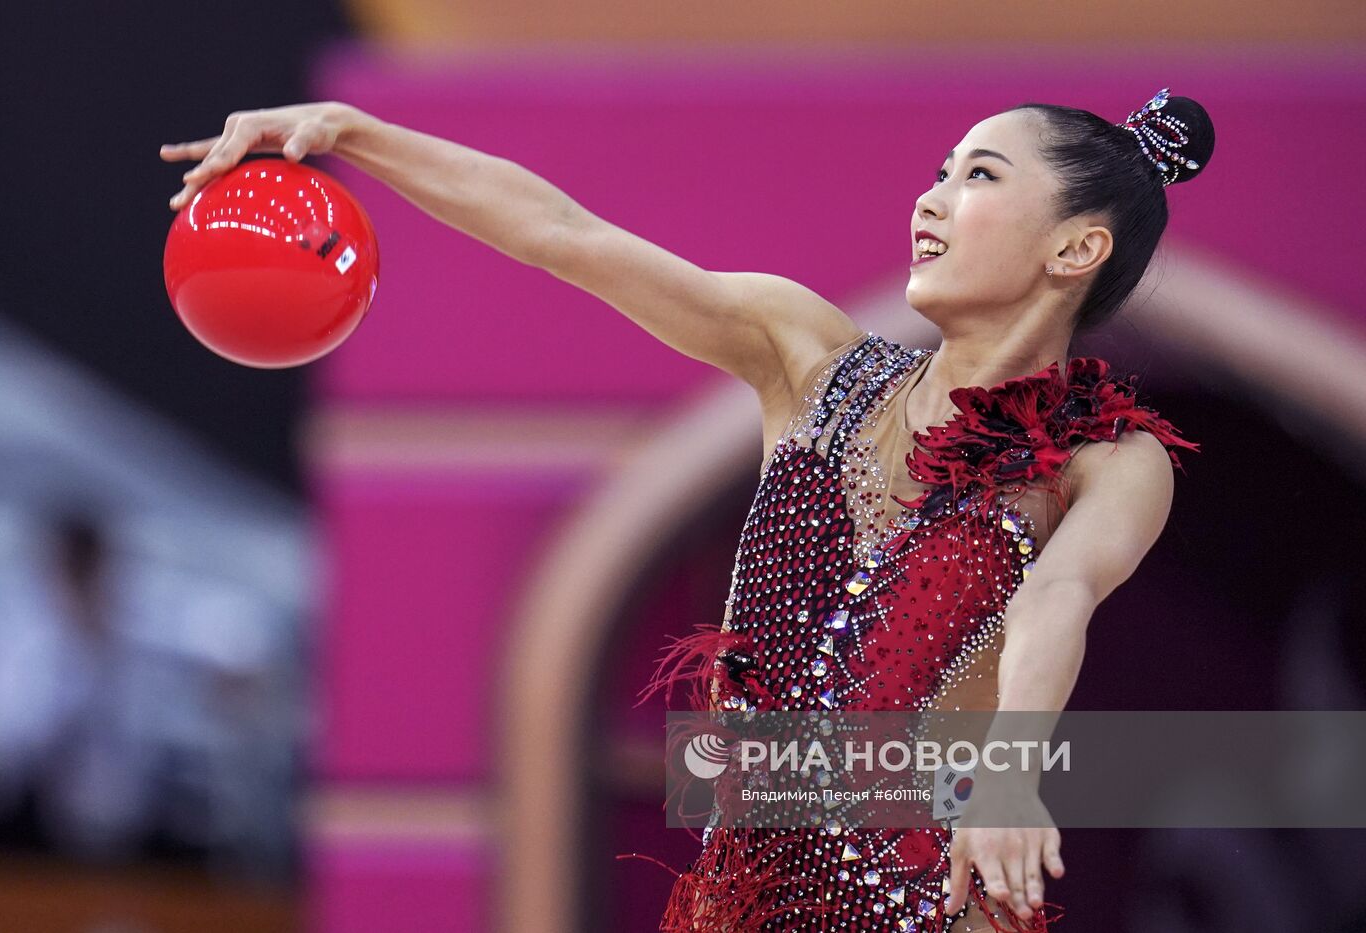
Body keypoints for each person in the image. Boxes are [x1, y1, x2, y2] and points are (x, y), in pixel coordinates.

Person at [161, 86, 1213, 930]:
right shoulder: (805, 358)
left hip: (926, 904)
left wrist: (1007, 778)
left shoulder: (1107, 458)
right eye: (935, 172)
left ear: (1072, 250)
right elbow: (561, 235)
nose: (929, 198)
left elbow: (1055, 598)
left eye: (976, 176)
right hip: (740, 900)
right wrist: (353, 133)